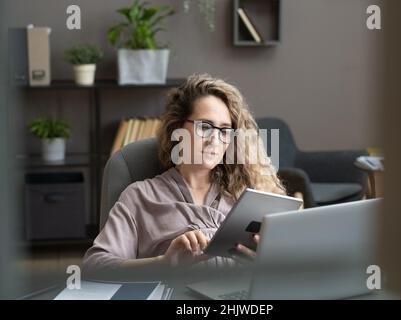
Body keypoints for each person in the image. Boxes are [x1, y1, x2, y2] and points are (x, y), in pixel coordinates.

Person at [82, 74, 286, 274]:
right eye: (205, 127)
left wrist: (266, 261)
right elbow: (95, 267)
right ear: (177, 128)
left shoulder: (247, 196)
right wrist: (164, 263)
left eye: (224, 130)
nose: (214, 140)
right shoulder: (140, 197)